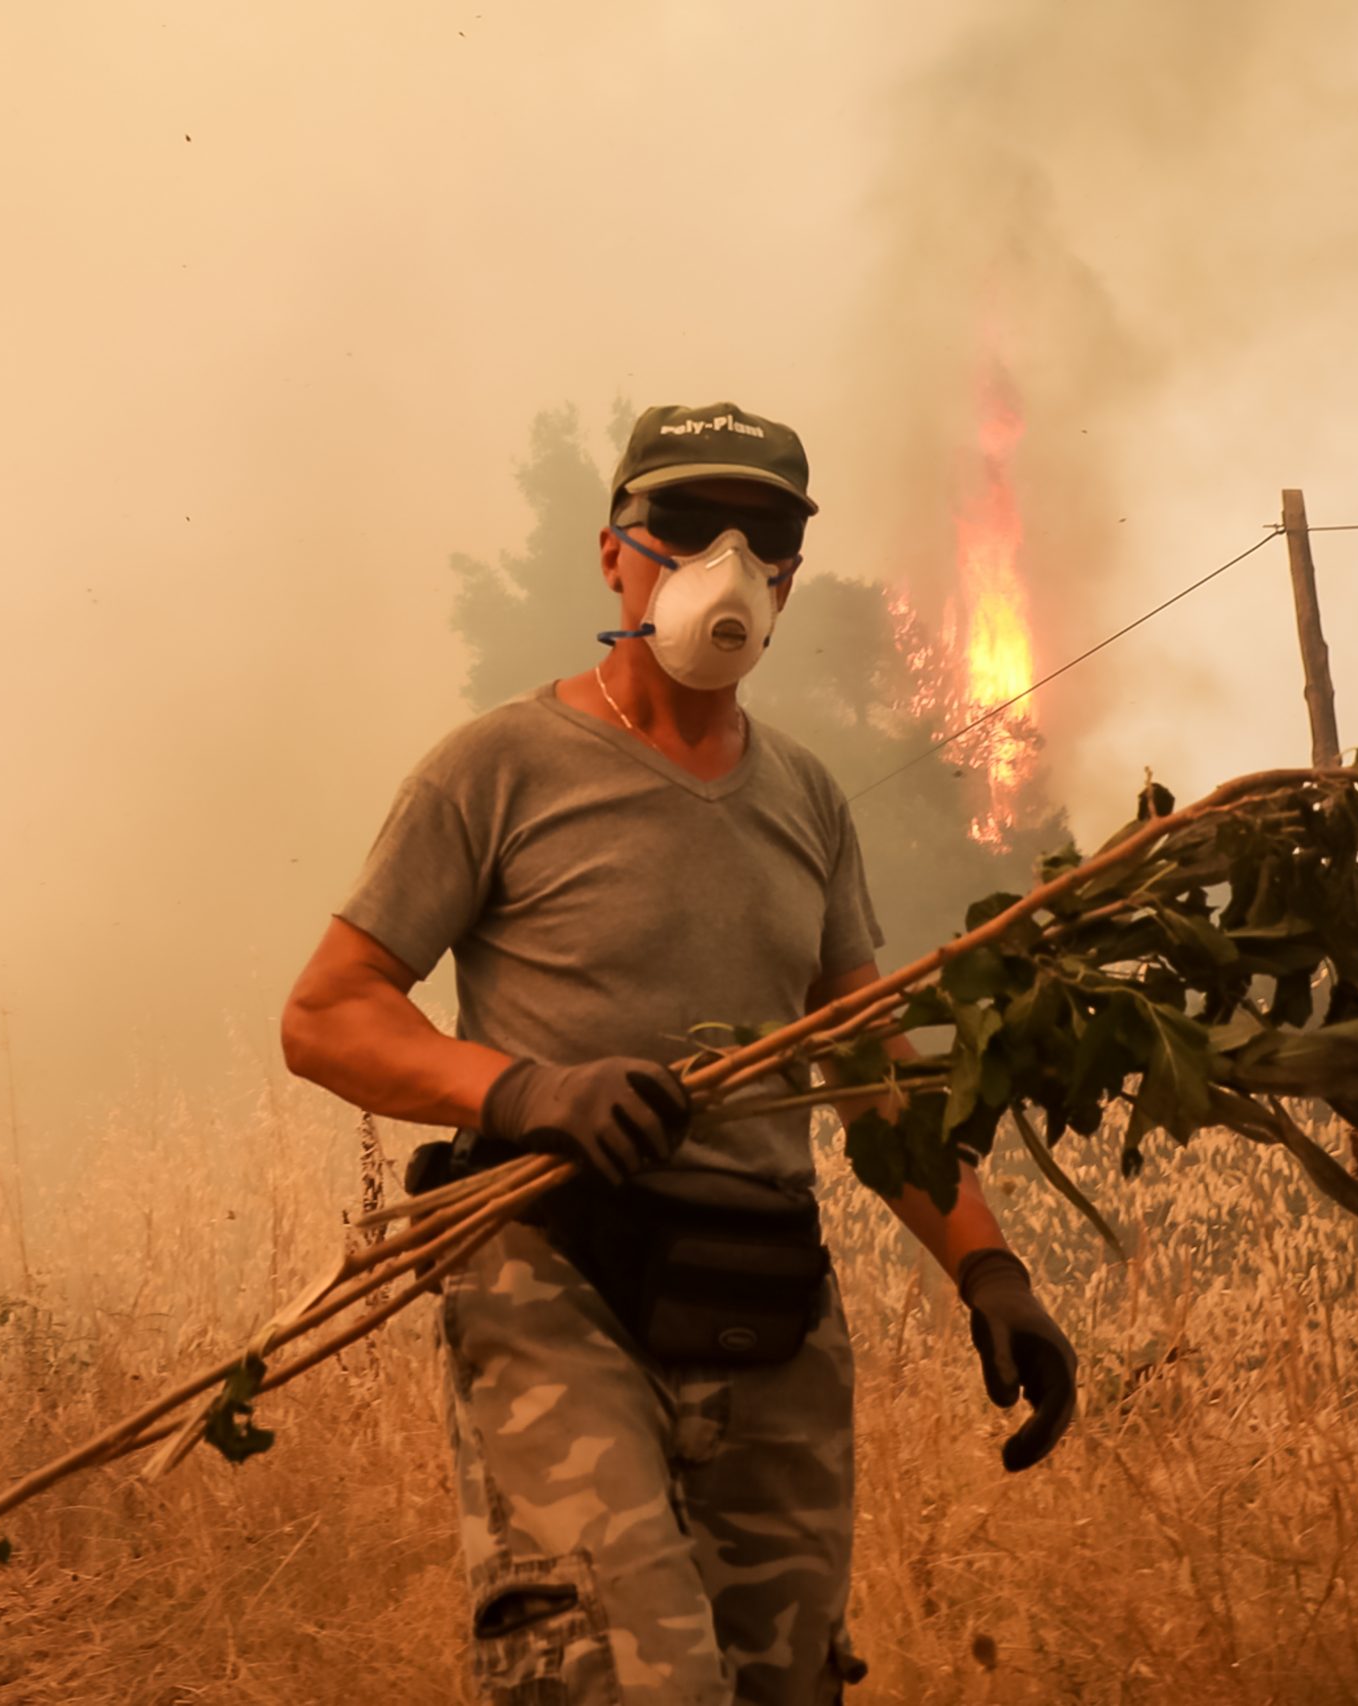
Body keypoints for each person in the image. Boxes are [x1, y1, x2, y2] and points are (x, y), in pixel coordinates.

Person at [279, 402, 1078, 1705]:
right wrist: (522, 1090)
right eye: (684, 527)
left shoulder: (810, 800)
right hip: (556, 1271)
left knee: (778, 1682)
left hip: (768, 1297)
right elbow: (328, 1012)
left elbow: (870, 1072)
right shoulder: (498, 769)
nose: (724, 561)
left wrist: (989, 1266)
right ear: (613, 554)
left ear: (790, 578)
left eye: (762, 535)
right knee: (630, 1677)